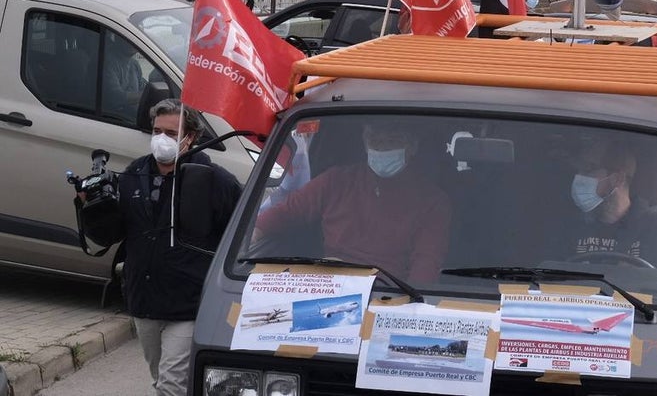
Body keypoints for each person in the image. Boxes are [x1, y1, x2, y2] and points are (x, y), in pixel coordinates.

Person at [116, 99, 243, 396]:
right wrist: (93, 207)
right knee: (160, 378)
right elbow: (113, 232)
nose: (161, 139)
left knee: (172, 383)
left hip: (188, 304)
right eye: (157, 130)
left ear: (191, 138)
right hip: (143, 300)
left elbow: (240, 233)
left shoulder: (215, 181)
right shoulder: (135, 173)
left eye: (171, 134)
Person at [256, 122, 450, 283]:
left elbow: (424, 272)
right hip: (329, 285)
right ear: (365, 144)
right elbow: (279, 216)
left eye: (392, 141)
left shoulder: (432, 202)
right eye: (376, 140)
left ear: (412, 147)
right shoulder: (336, 181)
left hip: (387, 295)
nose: (382, 147)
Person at [559, 139, 657, 296]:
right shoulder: (568, 226)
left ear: (617, 179)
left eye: (589, 169)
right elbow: (543, 280)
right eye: (579, 170)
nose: (578, 177)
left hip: (643, 317)